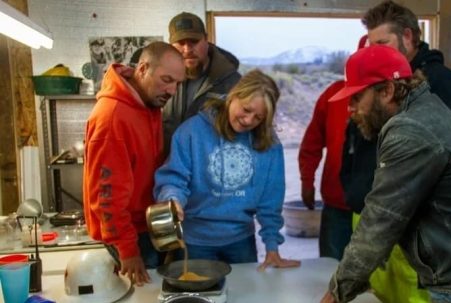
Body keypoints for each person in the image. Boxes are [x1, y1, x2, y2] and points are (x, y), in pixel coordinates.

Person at [320, 45, 451, 303]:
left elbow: (381, 220)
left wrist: (336, 293)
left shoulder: (409, 130)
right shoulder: (426, 111)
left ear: (387, 90)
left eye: (357, 97)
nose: (350, 108)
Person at [339, 2, 451, 301]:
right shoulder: (375, 80)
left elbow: (434, 160)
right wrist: (354, 187)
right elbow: (358, 141)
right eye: (370, 44)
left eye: (382, 43)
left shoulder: (439, 84)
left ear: (408, 36)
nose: (374, 50)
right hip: (373, 214)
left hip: (411, 226)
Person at [153, 69, 301, 270]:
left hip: (241, 241)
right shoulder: (191, 132)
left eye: (258, 118)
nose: (249, 121)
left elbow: (271, 201)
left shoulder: (269, 145)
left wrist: (272, 247)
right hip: (194, 241)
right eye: (246, 110)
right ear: (233, 95)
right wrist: (173, 200)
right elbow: (174, 179)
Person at [83, 41, 185, 286]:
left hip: (147, 225)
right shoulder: (112, 118)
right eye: (166, 79)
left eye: (177, 83)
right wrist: (128, 250)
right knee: (144, 296)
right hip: (129, 235)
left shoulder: (148, 104)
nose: (172, 91)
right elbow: (106, 196)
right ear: (142, 69)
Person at [297, 36, 368, 260]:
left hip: (376, 209)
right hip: (336, 204)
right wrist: (306, 181)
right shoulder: (333, 94)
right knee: (329, 271)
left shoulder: (391, 100)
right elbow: (312, 142)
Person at [163, 12, 241, 157]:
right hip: (167, 170)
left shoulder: (232, 83)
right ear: (170, 45)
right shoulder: (160, 79)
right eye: (181, 43)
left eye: (194, 41)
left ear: (206, 39)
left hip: (210, 172)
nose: (187, 49)